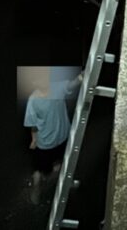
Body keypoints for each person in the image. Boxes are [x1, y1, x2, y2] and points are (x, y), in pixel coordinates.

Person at [24, 69, 81, 205]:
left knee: (63, 162)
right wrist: (34, 139)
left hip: (63, 137)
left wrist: (82, 76)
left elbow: (72, 84)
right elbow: (33, 124)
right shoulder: (33, 100)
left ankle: (65, 183)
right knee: (39, 172)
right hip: (45, 144)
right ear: (33, 82)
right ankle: (36, 190)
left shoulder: (57, 87)